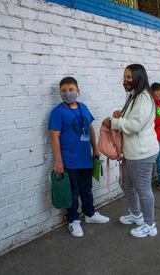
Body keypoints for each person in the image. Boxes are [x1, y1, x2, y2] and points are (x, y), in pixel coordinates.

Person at [102, 64, 160, 238]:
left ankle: (150, 225)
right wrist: (122, 114)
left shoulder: (143, 98)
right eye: (124, 77)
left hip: (142, 153)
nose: (125, 81)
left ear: (138, 78)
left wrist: (113, 122)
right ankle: (136, 215)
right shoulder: (135, 96)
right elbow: (134, 118)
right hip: (132, 152)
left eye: (128, 77)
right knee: (126, 184)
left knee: (143, 189)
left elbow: (135, 125)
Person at [49, 77, 110, 238]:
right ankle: (73, 220)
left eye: (71, 89)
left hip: (85, 159)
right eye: (63, 90)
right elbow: (54, 138)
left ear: (78, 91)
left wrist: (95, 148)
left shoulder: (83, 107)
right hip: (69, 160)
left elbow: (90, 128)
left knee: (86, 189)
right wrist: (58, 160)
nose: (67, 93)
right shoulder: (57, 112)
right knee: (72, 192)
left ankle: (90, 214)